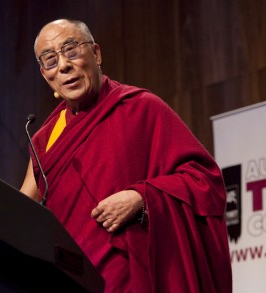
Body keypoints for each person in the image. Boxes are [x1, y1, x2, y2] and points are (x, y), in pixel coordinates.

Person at [20, 18, 232, 292]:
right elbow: (22, 207)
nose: (63, 65)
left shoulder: (141, 109)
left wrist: (141, 198)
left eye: (71, 49)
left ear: (96, 54)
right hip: (69, 279)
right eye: (50, 60)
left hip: (131, 276)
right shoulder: (45, 139)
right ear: (44, 74)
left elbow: (206, 182)